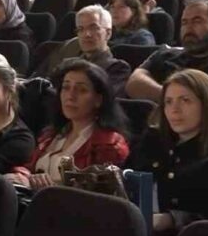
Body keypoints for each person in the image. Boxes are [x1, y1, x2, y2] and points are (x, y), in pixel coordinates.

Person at [129, 69, 208, 234]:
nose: (174, 109)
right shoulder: (152, 139)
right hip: (132, 231)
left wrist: (171, 219)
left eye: (185, 100)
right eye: (168, 102)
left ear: (207, 105)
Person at [8, 59, 129, 190]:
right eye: (66, 88)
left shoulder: (109, 144)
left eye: (82, 90)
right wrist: (22, 176)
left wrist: (51, 188)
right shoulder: (51, 135)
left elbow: (97, 196)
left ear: (98, 100)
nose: (70, 96)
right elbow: (28, 167)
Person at [126, 0, 208, 105]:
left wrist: (153, 92)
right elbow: (133, 83)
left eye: (197, 21)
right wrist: (179, 98)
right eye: (184, 22)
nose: (188, 28)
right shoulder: (165, 52)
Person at [31, 5, 131, 96]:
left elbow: (104, 100)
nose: (86, 34)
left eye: (93, 28)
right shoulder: (67, 64)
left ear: (108, 33)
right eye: (81, 29)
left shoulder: (117, 68)